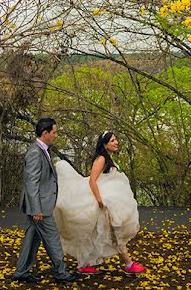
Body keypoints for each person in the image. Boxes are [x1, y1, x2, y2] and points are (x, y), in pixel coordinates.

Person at [53, 130, 147, 276]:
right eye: (112, 141)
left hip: (110, 202)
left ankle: (85, 264)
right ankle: (129, 264)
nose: (116, 143)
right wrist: (99, 200)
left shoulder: (109, 158)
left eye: (116, 140)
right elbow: (92, 180)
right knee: (115, 232)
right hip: (102, 202)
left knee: (101, 232)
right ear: (105, 144)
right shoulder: (101, 159)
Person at [12, 118, 81, 284]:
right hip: (40, 207)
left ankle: (21, 272)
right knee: (53, 239)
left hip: (39, 204)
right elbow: (31, 183)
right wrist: (36, 209)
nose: (56, 135)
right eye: (54, 132)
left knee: (32, 239)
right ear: (45, 133)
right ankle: (61, 273)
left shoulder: (42, 150)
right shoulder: (35, 152)